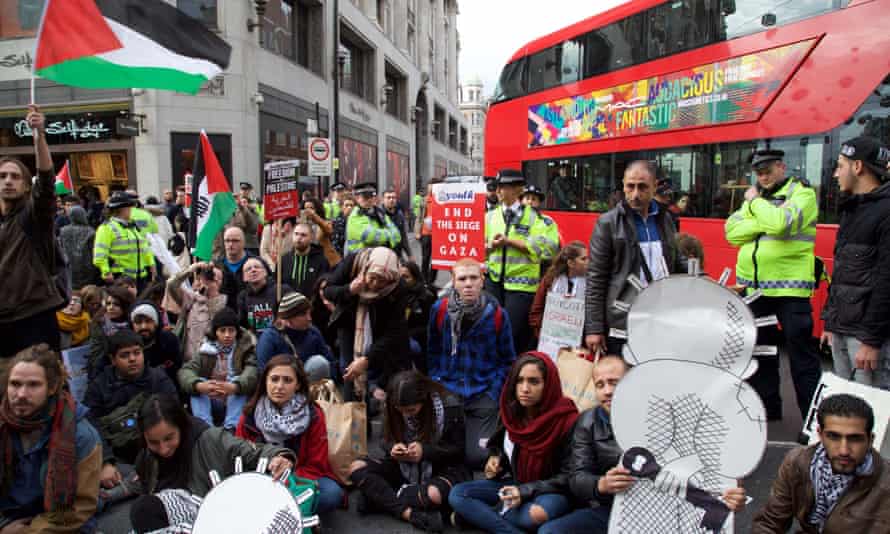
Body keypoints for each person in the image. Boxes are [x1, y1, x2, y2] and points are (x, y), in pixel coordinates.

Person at [725, 149, 821, 421]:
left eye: (767, 170)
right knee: (762, 354)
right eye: (758, 172)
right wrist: (765, 219)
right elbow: (731, 232)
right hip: (755, 291)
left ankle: (813, 422)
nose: (762, 176)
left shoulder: (802, 193)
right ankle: (768, 412)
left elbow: (781, 224)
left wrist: (755, 206)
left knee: (802, 359)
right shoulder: (762, 199)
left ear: (782, 166)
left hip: (790, 291)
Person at [449, 352, 578, 532]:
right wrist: (496, 461)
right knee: (458, 494)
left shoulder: (567, 420)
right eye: (519, 381)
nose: (525, 389)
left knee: (536, 515)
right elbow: (505, 452)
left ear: (548, 385)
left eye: (534, 382)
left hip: (551, 491)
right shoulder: (512, 413)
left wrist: (525, 491)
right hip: (517, 484)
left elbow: (570, 477)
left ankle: (482, 516)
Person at [129, 395, 294, 533]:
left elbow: (251, 452)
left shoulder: (210, 440)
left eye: (169, 438)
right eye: (154, 442)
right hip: (173, 524)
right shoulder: (146, 459)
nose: (163, 449)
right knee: (143, 510)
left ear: (181, 426)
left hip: (215, 514)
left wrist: (277, 457)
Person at [585, 160, 686, 357]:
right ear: (623, 185)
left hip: (661, 318)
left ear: (655, 186)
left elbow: (675, 259)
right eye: (630, 186)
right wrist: (594, 328)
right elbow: (596, 278)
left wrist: (702, 278)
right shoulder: (608, 223)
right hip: (623, 321)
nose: (635, 194)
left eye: (642, 187)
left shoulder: (665, 219)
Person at [349, 370, 470, 532]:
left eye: (411, 410)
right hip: (403, 468)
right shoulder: (391, 405)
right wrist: (392, 447)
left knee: (434, 494)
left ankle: (378, 498)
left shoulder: (449, 405)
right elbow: (384, 440)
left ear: (424, 400)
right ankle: (409, 513)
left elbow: (458, 450)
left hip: (441, 468)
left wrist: (425, 451)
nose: (405, 414)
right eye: (401, 410)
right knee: (356, 467)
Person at [0, 344, 103, 533]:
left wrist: (28, 532)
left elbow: (80, 507)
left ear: (52, 387)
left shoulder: (81, 435)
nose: (21, 394)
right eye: (15, 384)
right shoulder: (3, 422)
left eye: (33, 384)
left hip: (59, 523)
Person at [752, 394, 890, 533]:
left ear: (870, 439)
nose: (844, 450)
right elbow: (770, 523)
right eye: (834, 437)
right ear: (820, 434)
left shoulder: (885, 485)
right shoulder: (797, 462)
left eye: (855, 439)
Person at [427, 258, 516, 469]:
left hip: (483, 392)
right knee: (443, 454)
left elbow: (508, 359)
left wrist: (493, 391)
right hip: (449, 389)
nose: (468, 284)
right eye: (462, 279)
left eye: (473, 278)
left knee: (478, 457)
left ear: (482, 280)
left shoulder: (497, 315)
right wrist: (437, 382)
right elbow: (432, 350)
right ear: (454, 282)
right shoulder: (440, 310)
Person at [235, 355, 343, 515]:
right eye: (274, 379)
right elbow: (240, 456)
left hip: (299, 477)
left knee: (331, 494)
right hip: (261, 479)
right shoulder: (250, 414)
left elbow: (316, 464)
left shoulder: (313, 414)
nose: (279, 386)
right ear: (265, 382)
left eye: (287, 380)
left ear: (298, 384)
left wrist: (286, 478)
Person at [822, 137, 890, 389]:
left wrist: (871, 341)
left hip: (866, 339)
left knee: (872, 412)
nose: (836, 174)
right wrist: (831, 322)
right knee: (849, 404)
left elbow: (885, 282)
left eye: (840, 166)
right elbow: (842, 273)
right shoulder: (852, 208)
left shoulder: (885, 211)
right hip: (843, 329)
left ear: (858, 167)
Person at [0, 106, 65, 362]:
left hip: (33, 317)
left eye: (15, 177)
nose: (7, 181)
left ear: (26, 186)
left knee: (41, 386)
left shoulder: (33, 217)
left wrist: (39, 134)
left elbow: (46, 181)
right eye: (2, 176)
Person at [84, 329, 177, 484]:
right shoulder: (99, 387)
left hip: (158, 448)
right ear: (113, 359)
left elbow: (174, 413)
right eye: (125, 355)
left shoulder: (158, 379)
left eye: (137, 353)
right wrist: (106, 462)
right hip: (118, 456)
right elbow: (91, 427)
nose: (132, 359)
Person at [485, 169, 560, 352]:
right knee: (491, 331)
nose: (500, 191)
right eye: (498, 187)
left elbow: (548, 248)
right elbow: (478, 248)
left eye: (505, 187)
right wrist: (490, 247)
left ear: (518, 190)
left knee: (513, 334)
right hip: (493, 283)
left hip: (521, 288)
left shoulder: (537, 218)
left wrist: (509, 242)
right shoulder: (489, 216)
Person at [324, 247, 412, 400]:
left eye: (382, 280)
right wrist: (349, 290)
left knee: (382, 367)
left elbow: (393, 332)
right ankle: (351, 410)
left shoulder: (399, 287)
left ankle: (379, 404)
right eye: (371, 277)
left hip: (380, 326)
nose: (374, 284)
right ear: (366, 269)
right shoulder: (353, 262)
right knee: (349, 369)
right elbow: (328, 290)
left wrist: (367, 359)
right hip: (350, 323)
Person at [178, 308, 258, 430]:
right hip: (213, 401)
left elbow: (252, 371)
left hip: (234, 402)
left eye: (231, 330)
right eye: (222, 330)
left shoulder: (244, 348)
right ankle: (205, 428)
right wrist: (199, 385)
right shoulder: (206, 349)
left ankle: (232, 428)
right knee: (198, 383)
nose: (227, 335)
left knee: (239, 381)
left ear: (237, 332)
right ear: (216, 332)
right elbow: (185, 371)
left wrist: (235, 386)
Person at [256, 292, 334, 378]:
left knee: (319, 363)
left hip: (312, 386)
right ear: (289, 318)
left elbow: (330, 362)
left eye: (309, 313)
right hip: (281, 385)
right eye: (303, 314)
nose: (309, 318)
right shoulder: (270, 337)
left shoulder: (313, 332)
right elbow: (263, 372)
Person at [93, 191, 156, 293]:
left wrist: (151, 265)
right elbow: (100, 255)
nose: (132, 210)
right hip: (121, 278)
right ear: (122, 209)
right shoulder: (106, 228)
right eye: (130, 207)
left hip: (140, 278)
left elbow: (145, 248)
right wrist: (106, 271)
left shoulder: (133, 227)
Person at [165, 261, 228, 363]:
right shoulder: (191, 299)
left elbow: (216, 323)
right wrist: (192, 269)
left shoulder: (224, 302)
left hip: (210, 363)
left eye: (216, 279)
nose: (212, 280)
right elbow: (171, 284)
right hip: (186, 362)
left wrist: (212, 293)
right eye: (210, 276)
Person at [529, 241, 588, 339]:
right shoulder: (550, 279)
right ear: (571, 263)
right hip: (549, 338)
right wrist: (542, 333)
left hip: (578, 341)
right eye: (583, 259)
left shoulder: (592, 284)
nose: (588, 262)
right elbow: (536, 310)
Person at [87, 285, 136, 380]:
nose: (111, 307)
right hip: (104, 370)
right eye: (108, 304)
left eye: (116, 304)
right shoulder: (99, 323)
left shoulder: (133, 323)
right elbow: (96, 354)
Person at [236, 256, 292, 335]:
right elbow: (243, 325)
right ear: (244, 278)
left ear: (265, 272)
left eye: (257, 267)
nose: (253, 270)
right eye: (248, 269)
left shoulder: (282, 290)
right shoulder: (243, 297)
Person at [130, 300, 182, 383]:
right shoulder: (125, 344)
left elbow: (177, 370)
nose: (143, 326)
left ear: (156, 322)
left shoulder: (169, 341)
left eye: (148, 321)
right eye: (138, 322)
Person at [345, 182, 402, 254]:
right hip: (360, 258)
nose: (369, 199)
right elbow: (370, 237)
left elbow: (397, 235)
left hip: (381, 255)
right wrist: (389, 234)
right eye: (365, 197)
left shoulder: (380, 213)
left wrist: (382, 235)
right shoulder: (356, 215)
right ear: (357, 198)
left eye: (372, 196)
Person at [400, 261, 435, 373]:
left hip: (421, 340)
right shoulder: (396, 294)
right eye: (399, 277)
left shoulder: (426, 297)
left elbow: (431, 325)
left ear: (415, 278)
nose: (402, 281)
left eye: (406, 277)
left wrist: (409, 334)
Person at [281, 222, 330, 299]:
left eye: (303, 235)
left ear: (311, 238)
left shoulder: (321, 261)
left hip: (313, 307)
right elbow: (278, 285)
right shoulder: (283, 260)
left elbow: (323, 288)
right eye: (296, 234)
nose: (299, 238)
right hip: (289, 307)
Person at [215, 226, 255, 309]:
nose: (230, 244)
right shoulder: (217, 266)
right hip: (225, 314)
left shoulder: (256, 264)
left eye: (235, 241)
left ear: (244, 242)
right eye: (227, 241)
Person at [59, 205, 98, 290]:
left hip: (69, 268)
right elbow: (94, 252)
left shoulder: (63, 231)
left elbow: (60, 249)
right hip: (87, 269)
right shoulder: (90, 231)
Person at [302, 198, 341, 267]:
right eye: (306, 208)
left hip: (329, 262)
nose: (308, 210)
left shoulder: (324, 222)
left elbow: (329, 230)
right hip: (313, 263)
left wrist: (314, 216)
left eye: (311, 208)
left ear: (317, 209)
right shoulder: (303, 226)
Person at [383, 189, 411, 260]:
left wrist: (409, 254)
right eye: (388, 198)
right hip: (384, 254)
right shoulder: (379, 214)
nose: (391, 200)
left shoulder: (399, 214)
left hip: (398, 254)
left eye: (393, 197)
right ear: (383, 199)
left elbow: (403, 236)